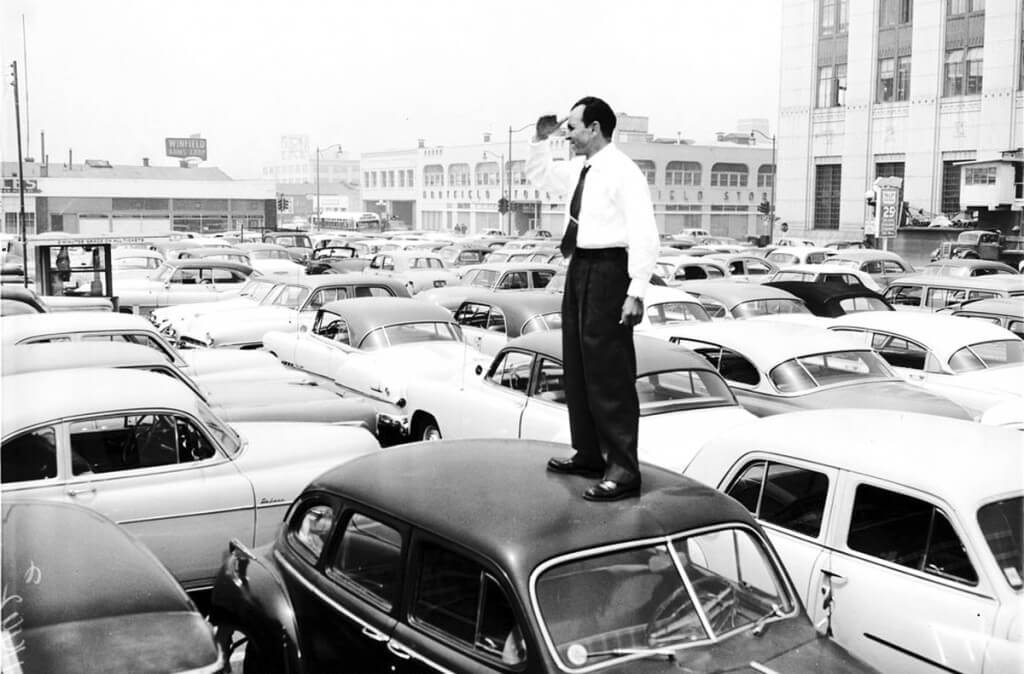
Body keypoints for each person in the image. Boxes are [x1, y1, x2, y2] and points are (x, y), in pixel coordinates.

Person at [526, 96, 659, 501]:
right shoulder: (579, 169)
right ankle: (588, 454)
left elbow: (644, 233)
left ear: (595, 128)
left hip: (609, 270)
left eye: (572, 127)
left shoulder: (623, 172)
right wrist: (540, 140)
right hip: (580, 266)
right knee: (579, 367)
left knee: (609, 372)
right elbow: (539, 175)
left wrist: (636, 291)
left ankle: (623, 469)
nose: (567, 134)